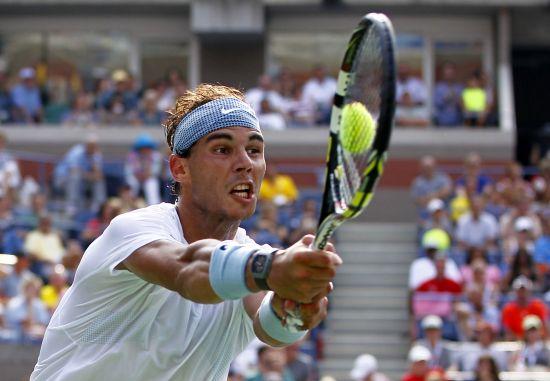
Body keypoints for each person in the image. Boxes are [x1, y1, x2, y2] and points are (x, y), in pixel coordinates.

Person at [31, 84, 340, 380]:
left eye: (255, 150)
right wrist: (273, 268)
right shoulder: (133, 231)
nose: (245, 163)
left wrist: (298, 307)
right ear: (180, 169)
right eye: (223, 149)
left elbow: (274, 331)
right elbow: (187, 272)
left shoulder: (252, 261)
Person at [54, 134, 107, 215]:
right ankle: (72, 204)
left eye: (94, 146)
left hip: (83, 180)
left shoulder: (96, 155)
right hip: (63, 179)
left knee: (99, 180)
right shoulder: (77, 151)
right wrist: (90, 175)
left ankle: (98, 205)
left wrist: (94, 166)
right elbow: (73, 171)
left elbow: (99, 174)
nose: (92, 148)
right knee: (75, 176)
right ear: (86, 145)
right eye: (90, 146)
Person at [501, 275, 548, 340]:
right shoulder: (508, 309)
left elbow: (545, 328)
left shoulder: (538, 306)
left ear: (529, 291)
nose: (522, 294)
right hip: (516, 344)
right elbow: (508, 332)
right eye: (520, 291)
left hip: (537, 342)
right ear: (515, 292)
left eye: (524, 291)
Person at [124, 133, 163, 205]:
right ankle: (130, 204)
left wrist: (146, 175)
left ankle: (154, 205)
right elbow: (128, 172)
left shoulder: (156, 156)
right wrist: (138, 175)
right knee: (132, 182)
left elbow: (156, 172)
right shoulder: (132, 156)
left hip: (149, 177)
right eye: (143, 147)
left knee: (151, 183)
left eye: (147, 147)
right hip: (136, 177)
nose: (145, 150)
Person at [410, 156, 453, 221]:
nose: (427, 170)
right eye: (424, 168)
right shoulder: (417, 182)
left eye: (429, 167)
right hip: (425, 214)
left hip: (442, 212)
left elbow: (448, 190)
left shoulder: (442, 178)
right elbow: (417, 200)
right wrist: (435, 196)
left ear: (434, 167)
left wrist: (432, 196)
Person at [433, 62, 463, 127]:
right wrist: (446, 98)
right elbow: (436, 104)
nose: (449, 75)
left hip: (458, 123)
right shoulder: (439, 87)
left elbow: (463, 106)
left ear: (455, 74)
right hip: (442, 123)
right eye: (447, 73)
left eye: (451, 73)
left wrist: (457, 100)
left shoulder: (459, 87)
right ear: (444, 74)